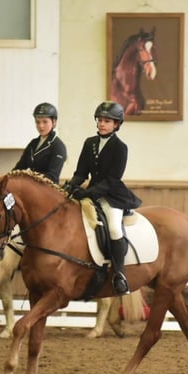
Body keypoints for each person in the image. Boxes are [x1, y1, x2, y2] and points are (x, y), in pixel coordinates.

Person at [63, 101, 142, 295]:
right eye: (100, 120)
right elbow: (81, 172)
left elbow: (113, 179)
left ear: (116, 124)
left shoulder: (120, 147)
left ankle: (119, 273)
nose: (102, 124)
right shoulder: (89, 143)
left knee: (114, 227)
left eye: (107, 121)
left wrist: (89, 192)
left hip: (112, 196)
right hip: (91, 193)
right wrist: (71, 186)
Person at [13, 102, 67, 183]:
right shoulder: (33, 143)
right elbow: (19, 167)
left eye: (45, 122)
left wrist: (29, 178)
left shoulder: (58, 146)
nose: (41, 126)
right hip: (31, 186)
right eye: (38, 122)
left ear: (54, 122)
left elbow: (52, 176)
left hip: (48, 190)